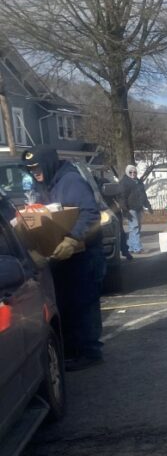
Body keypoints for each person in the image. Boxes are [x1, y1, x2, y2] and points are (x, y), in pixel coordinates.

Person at [24, 147, 106, 369]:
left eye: (38, 167)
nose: (35, 173)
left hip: (84, 255)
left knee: (83, 303)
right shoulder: (49, 184)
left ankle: (89, 352)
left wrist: (72, 239)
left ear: (48, 163)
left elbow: (90, 213)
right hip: (65, 258)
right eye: (31, 169)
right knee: (68, 303)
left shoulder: (70, 181)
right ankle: (73, 350)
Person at [121, 165, 152, 254]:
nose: (133, 174)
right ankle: (138, 248)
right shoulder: (124, 182)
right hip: (130, 209)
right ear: (127, 172)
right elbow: (122, 197)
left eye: (134, 172)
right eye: (130, 172)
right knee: (135, 227)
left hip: (138, 207)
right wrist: (125, 210)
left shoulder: (138, 182)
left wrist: (148, 206)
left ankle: (130, 247)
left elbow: (143, 195)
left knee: (135, 228)